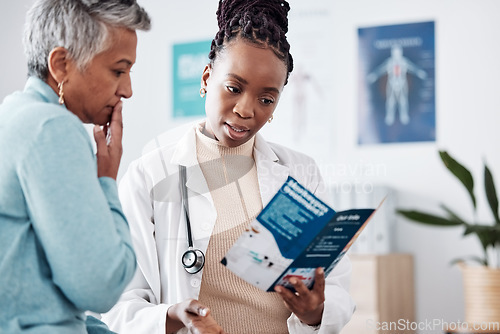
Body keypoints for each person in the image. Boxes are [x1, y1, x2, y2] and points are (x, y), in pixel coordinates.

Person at [102, 0, 355, 333]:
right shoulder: (149, 175)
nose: (246, 110)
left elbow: (336, 288)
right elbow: (120, 306)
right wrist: (175, 316)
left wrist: (315, 312)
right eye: (234, 88)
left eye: (267, 99)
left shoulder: (300, 172)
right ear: (207, 77)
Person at [0, 0, 150, 333]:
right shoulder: (52, 128)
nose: (127, 90)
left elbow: (39, 299)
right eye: (118, 70)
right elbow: (101, 286)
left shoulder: (14, 113)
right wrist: (107, 180)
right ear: (62, 64)